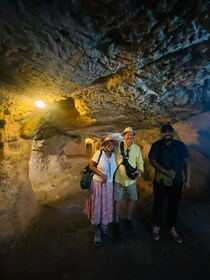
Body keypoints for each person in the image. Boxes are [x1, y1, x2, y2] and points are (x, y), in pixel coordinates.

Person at [148, 124, 191, 243]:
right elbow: (152, 160)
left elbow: (187, 162)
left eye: (169, 131)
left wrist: (187, 180)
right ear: (161, 134)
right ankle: (156, 225)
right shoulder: (157, 145)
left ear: (172, 132)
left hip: (176, 182)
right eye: (164, 132)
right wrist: (165, 171)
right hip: (160, 181)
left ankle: (171, 227)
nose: (167, 133)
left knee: (174, 205)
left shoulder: (180, 145)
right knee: (158, 203)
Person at [85, 136, 118, 246]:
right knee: (97, 207)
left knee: (106, 206)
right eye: (107, 143)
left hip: (108, 186)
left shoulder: (113, 156)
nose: (110, 145)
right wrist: (101, 174)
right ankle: (97, 232)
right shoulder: (99, 153)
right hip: (97, 185)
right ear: (104, 145)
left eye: (112, 143)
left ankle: (103, 225)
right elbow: (91, 166)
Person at [113, 127, 144, 234]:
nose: (129, 136)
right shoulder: (118, 147)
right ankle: (116, 221)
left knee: (131, 200)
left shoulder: (137, 149)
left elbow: (140, 162)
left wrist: (140, 171)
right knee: (117, 200)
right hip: (118, 179)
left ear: (133, 136)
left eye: (131, 134)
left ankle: (128, 219)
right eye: (127, 134)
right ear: (124, 136)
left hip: (131, 180)